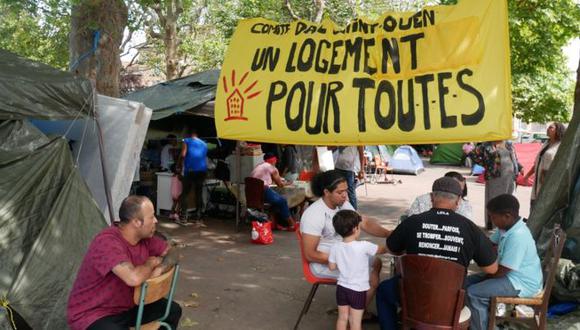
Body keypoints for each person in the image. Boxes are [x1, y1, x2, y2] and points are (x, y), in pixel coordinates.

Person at [376, 177, 498, 330]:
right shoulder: (470, 229)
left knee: (383, 290)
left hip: (413, 295)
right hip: (450, 302)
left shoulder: (412, 222)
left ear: (432, 197)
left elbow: (392, 250)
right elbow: (491, 269)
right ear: (459, 200)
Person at [67, 196, 182, 330]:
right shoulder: (107, 242)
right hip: (93, 313)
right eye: (152, 217)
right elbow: (133, 278)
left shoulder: (145, 238)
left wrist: (160, 268)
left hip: (127, 307)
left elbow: (174, 252)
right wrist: (151, 263)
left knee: (173, 311)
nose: (156, 221)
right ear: (137, 222)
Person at [300, 170, 390, 318]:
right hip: (324, 263)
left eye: (346, 191)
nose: (345, 195)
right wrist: (346, 259)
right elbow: (310, 254)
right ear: (326, 192)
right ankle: (353, 316)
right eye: (340, 192)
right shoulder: (313, 215)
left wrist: (388, 233)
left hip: (342, 254)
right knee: (370, 278)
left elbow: (364, 222)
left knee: (377, 262)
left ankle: (354, 309)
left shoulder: (343, 204)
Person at [465, 194, 542, 330]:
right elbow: (489, 244)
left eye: (493, 217)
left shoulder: (518, 236)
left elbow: (501, 272)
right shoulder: (505, 228)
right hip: (508, 275)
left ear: (507, 216)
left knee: (474, 292)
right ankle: (472, 320)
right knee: (463, 283)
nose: (492, 221)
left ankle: (480, 326)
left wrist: (484, 278)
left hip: (520, 282)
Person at [329, 210, 388, 330]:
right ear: (356, 229)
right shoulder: (364, 246)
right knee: (355, 322)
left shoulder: (335, 246)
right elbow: (382, 250)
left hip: (341, 288)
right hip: (357, 290)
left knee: (342, 318)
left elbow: (332, 267)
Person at [471, 140, 520, 229]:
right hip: (494, 177)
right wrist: (485, 165)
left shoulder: (508, 143)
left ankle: (505, 224)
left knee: (506, 200)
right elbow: (472, 154)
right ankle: (492, 225)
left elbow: (514, 158)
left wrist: (519, 168)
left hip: (509, 176)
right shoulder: (486, 145)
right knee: (494, 200)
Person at [524, 122, 566, 210]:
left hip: (549, 184)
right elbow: (537, 163)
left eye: (551, 127)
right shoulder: (546, 144)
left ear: (558, 130)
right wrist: (527, 175)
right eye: (548, 127)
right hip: (538, 182)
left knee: (542, 209)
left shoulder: (561, 146)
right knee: (534, 207)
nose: (548, 129)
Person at [250, 153, 296, 230]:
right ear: (274, 161)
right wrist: (289, 183)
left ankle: (273, 223)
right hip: (263, 190)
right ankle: (292, 224)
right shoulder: (271, 167)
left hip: (253, 193)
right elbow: (280, 184)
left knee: (275, 201)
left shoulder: (259, 166)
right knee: (282, 201)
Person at [403, 171, 473, 219]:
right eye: (456, 188)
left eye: (461, 189)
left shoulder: (465, 205)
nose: (459, 192)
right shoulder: (421, 201)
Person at [178, 129, 208, 223]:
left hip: (190, 169)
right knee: (198, 193)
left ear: (188, 134)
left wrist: (178, 165)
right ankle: (198, 217)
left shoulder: (186, 140)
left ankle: (184, 217)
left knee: (185, 193)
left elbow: (183, 154)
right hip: (202, 170)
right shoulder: (204, 144)